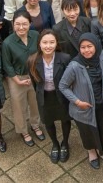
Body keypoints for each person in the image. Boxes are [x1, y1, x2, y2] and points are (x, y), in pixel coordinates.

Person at [59, 33, 103, 169]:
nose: (86, 50)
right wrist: (77, 102)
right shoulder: (74, 66)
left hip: (102, 104)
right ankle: (92, 152)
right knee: (88, 132)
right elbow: (63, 86)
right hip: (85, 107)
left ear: (96, 45)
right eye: (83, 47)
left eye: (89, 46)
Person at [27, 30, 72, 163]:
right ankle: (55, 144)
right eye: (45, 42)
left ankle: (65, 143)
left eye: (52, 42)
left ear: (56, 43)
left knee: (65, 120)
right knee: (48, 121)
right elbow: (35, 83)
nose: (48, 46)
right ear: (39, 44)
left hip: (61, 96)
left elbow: (70, 79)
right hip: (45, 97)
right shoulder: (32, 60)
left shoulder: (65, 58)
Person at [2, 10, 43, 147]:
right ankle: (23, 131)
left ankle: (35, 125)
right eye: (17, 24)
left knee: (35, 102)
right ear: (13, 24)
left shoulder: (35, 35)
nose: (21, 27)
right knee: (19, 106)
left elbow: (40, 54)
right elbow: (7, 65)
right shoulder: (7, 43)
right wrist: (17, 80)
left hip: (34, 75)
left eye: (24, 24)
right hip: (17, 77)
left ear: (30, 23)